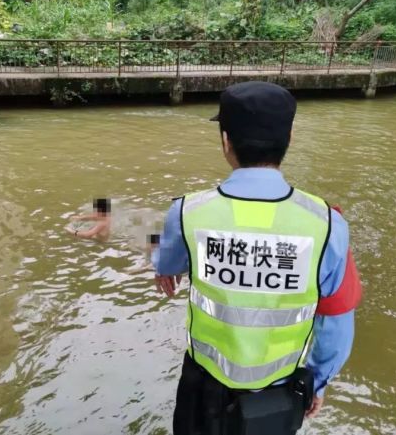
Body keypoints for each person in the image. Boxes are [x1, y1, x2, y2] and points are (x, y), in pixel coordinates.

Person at [153, 82, 362, 435]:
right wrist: (318, 382)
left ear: (225, 141)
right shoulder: (328, 226)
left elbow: (167, 265)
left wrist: (163, 263)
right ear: (290, 137)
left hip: (202, 386)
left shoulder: (187, 212)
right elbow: (338, 322)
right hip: (278, 394)